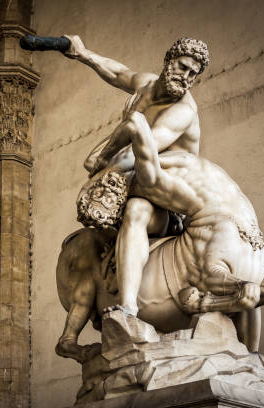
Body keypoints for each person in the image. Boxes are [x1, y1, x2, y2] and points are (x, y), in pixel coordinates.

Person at [64, 36, 209, 316]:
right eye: (182, 67)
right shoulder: (147, 84)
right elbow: (118, 73)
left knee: (137, 210)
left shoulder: (182, 112)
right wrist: (83, 54)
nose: (186, 76)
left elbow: (141, 149)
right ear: (169, 61)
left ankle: (129, 306)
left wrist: (102, 169)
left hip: (170, 198)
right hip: (140, 181)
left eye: (193, 73)